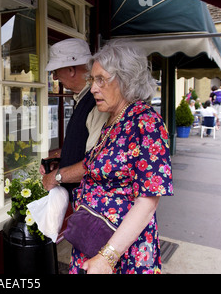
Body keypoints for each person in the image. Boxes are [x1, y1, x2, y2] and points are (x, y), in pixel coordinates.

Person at [68, 39, 173, 274]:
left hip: (121, 252)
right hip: (95, 239)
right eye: (92, 80)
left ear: (126, 80)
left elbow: (148, 201)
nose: (93, 88)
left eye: (101, 80)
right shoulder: (115, 120)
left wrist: (107, 257)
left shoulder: (146, 123)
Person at [40, 38, 108, 196]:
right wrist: (61, 158)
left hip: (93, 205)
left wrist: (56, 177)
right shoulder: (84, 99)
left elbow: (96, 162)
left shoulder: (97, 103)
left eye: (56, 71)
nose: (55, 77)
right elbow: (82, 147)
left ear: (71, 69)